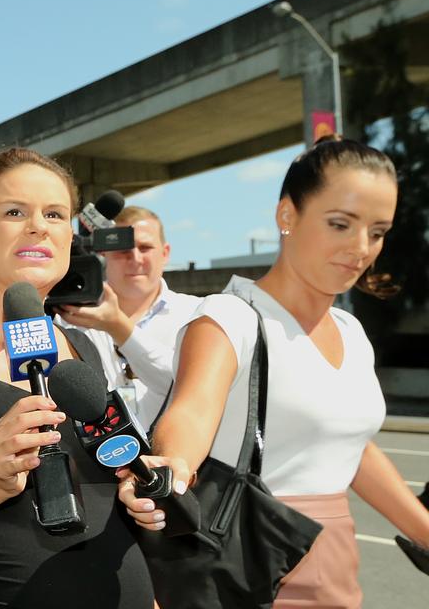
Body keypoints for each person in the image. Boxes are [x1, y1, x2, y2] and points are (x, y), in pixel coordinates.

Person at [119, 137, 429, 607]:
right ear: (287, 215)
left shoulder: (351, 330)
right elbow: (192, 410)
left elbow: (349, 447)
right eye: (340, 223)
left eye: (378, 230)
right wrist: (173, 465)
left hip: (336, 569)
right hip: (252, 565)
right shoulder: (229, 317)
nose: (361, 247)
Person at [0, 148, 154, 608]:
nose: (38, 226)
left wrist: (138, 484)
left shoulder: (81, 348)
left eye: (55, 214)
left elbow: (107, 503)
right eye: (15, 211)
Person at [55, 206, 201, 429]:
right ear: (103, 253)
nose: (134, 258)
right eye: (123, 249)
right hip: (99, 458)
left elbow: (189, 388)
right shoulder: (71, 316)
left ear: (165, 253)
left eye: (145, 247)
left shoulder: (197, 314)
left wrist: (118, 327)